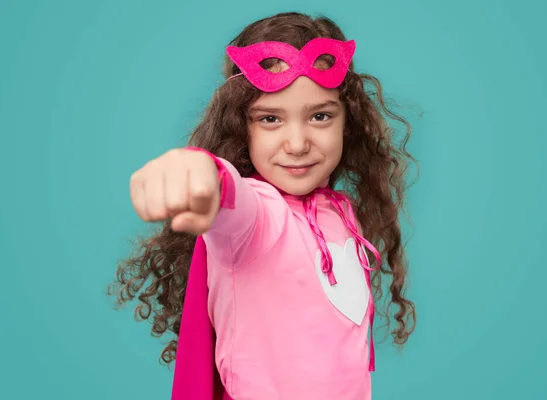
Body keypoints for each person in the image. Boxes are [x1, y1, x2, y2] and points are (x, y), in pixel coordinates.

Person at [108, 11, 417, 400]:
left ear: (347, 122)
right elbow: (229, 195)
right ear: (241, 127)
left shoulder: (342, 214)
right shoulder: (258, 219)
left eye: (320, 116)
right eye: (271, 118)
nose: (298, 142)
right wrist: (197, 171)